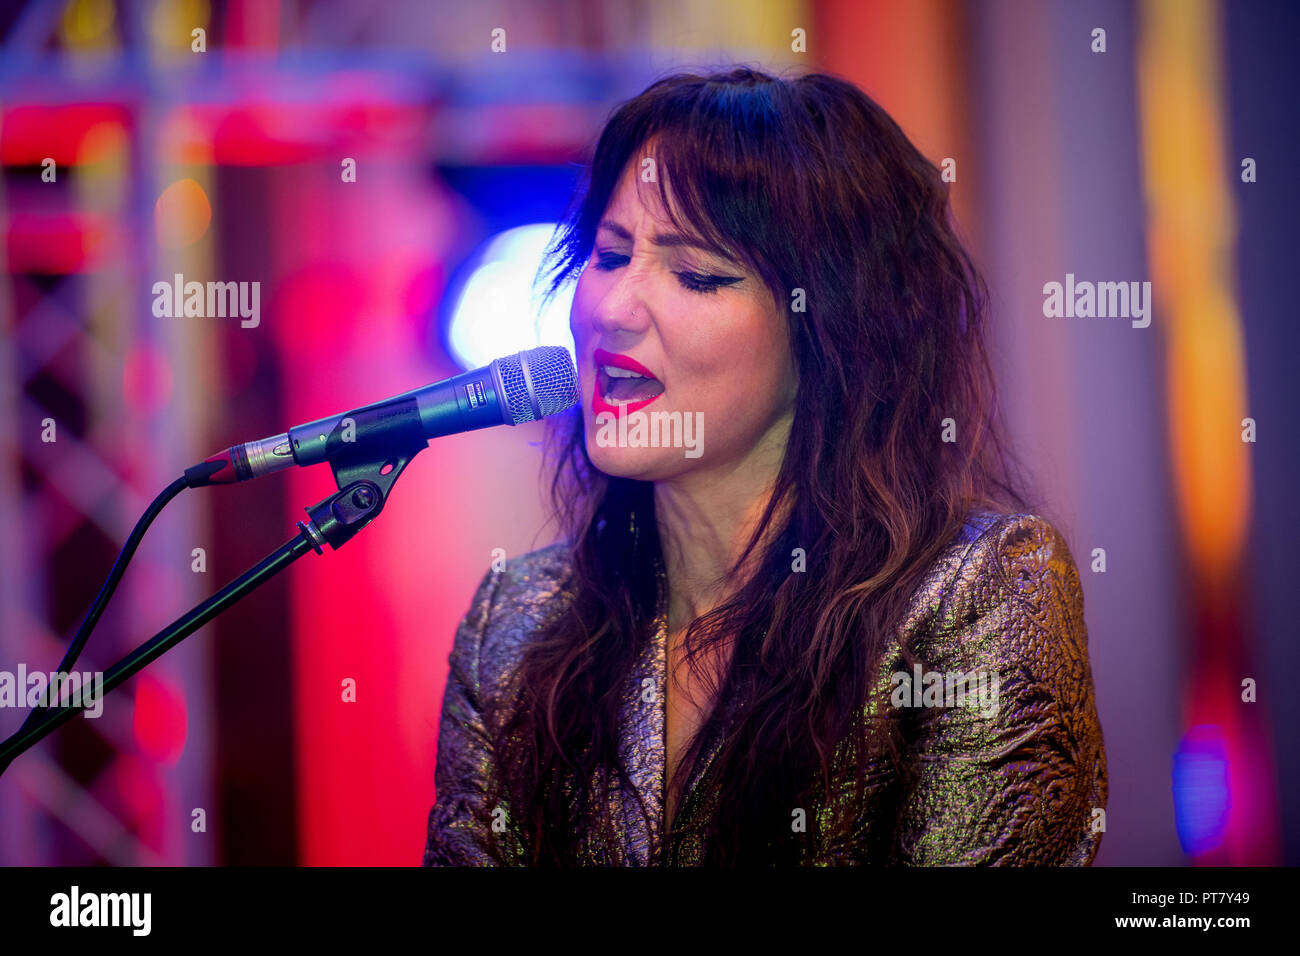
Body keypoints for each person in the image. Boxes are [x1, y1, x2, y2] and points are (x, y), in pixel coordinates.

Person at [422, 66, 1107, 866]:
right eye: (610, 255)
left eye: (697, 274)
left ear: (834, 331)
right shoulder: (516, 620)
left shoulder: (979, 592)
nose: (609, 308)